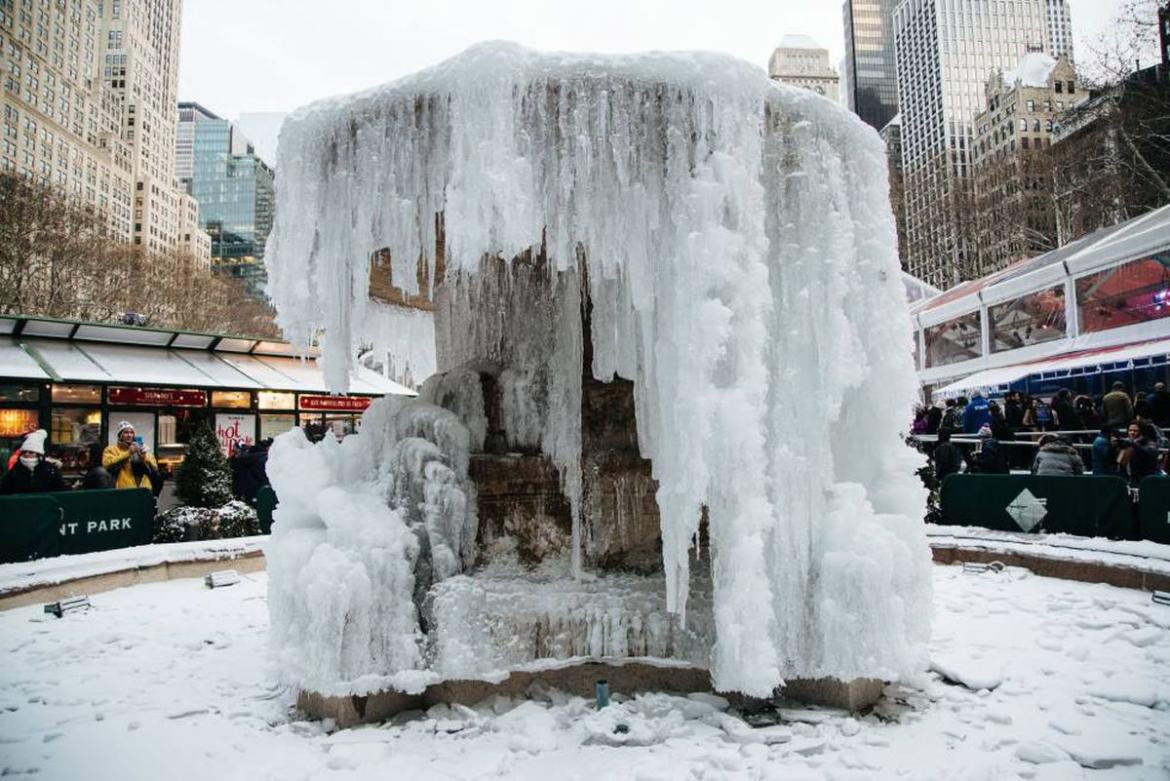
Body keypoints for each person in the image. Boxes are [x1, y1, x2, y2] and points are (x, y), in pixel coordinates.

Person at [0, 430, 67, 494]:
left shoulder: (49, 469)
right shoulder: (17, 468)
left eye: (31, 452)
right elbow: (5, 488)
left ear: (38, 454)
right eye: (24, 452)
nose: (27, 454)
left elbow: (61, 489)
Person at [102, 421, 160, 491]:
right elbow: (107, 465)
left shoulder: (141, 448)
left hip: (144, 489)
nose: (129, 435)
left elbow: (154, 468)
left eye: (131, 432)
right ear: (120, 435)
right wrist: (128, 453)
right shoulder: (111, 449)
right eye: (126, 432)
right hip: (123, 489)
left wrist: (143, 457)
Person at [1117, 420, 1160, 486]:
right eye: (1130, 430)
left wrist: (1134, 444)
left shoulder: (1149, 442)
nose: (1132, 433)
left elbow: (1150, 453)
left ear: (1141, 431)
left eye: (1135, 431)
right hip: (1132, 479)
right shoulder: (1128, 443)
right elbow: (1120, 462)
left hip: (1147, 479)